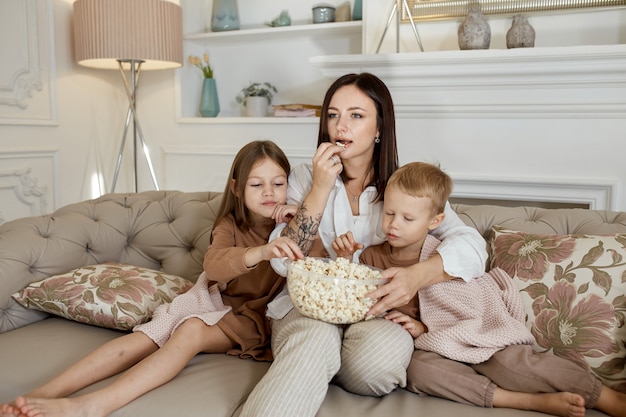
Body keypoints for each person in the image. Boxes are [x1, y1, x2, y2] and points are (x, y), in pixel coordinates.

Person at [239, 73, 489, 417]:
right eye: (333, 115)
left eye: (356, 115)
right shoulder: (303, 178)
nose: (341, 126)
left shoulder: (408, 184)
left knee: (379, 367)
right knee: (316, 340)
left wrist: (417, 276)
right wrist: (320, 189)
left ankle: (319, 363)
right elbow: (282, 261)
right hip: (309, 307)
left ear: (379, 128)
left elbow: (473, 246)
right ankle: (315, 357)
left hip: (377, 311)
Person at [1, 140, 304, 417]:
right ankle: (39, 395)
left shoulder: (298, 223)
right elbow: (215, 268)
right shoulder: (228, 223)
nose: (269, 192)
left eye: (278, 184)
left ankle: (93, 405)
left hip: (253, 318)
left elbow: (311, 268)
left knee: (190, 330)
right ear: (237, 188)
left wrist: (299, 227)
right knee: (146, 337)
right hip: (215, 300)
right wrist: (261, 251)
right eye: (257, 184)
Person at [347, 161, 626, 417]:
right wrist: (346, 259)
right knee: (418, 372)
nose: (394, 224)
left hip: (472, 333)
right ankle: (524, 401)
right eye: (389, 213)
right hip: (430, 346)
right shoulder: (372, 257)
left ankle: (605, 396)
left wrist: (435, 326)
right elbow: (368, 303)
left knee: (514, 366)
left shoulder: (444, 255)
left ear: (435, 222)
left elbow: (466, 303)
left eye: (407, 218)